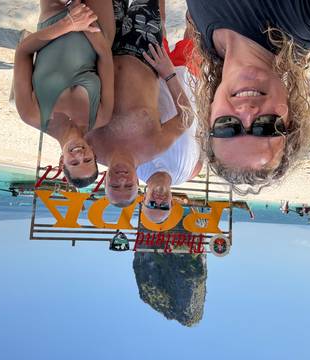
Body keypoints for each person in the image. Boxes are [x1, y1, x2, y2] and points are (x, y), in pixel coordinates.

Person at [186, 0, 310, 193]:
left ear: (209, 116)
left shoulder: (208, 40)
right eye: (266, 126)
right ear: (292, 118)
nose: (247, 111)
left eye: (227, 126)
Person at [87, 0, 193, 208]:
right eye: (128, 186)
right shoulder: (153, 147)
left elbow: (67, 127)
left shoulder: (91, 149)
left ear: (105, 182)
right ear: (137, 182)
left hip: (104, 47)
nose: (121, 180)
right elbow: (186, 118)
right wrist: (169, 74)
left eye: (114, 186)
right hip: (144, 52)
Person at [13, 0, 115, 188]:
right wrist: (86, 22)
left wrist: (68, 23)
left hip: (55, 14)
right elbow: (106, 59)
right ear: (94, 154)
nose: (79, 155)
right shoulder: (101, 117)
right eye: (87, 160)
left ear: (62, 162)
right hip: (98, 27)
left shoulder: (31, 114)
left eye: (74, 163)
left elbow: (23, 52)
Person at [139, 18, 203, 223]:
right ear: (172, 203)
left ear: (143, 200)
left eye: (152, 204)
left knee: (159, 22)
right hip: (190, 79)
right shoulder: (191, 171)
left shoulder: (136, 166)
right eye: (163, 206)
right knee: (194, 31)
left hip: (155, 75)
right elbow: (202, 133)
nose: (158, 200)